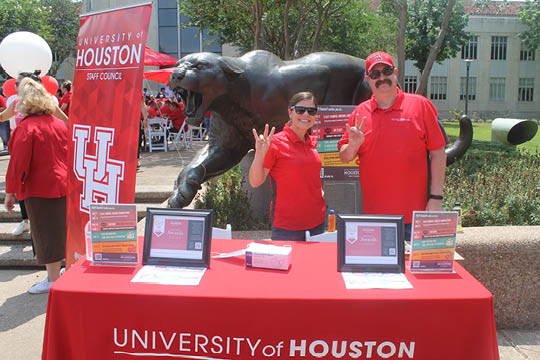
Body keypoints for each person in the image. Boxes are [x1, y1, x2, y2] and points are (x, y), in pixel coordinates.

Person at [338, 51, 447, 240]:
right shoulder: (359, 113)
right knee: (379, 270)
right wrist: (353, 145)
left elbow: (438, 153)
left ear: (395, 72)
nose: (382, 78)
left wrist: (436, 199)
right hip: (375, 219)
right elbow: (344, 156)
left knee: (416, 270)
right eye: (375, 74)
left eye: (386, 71)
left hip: (417, 216)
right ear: (368, 79)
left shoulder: (420, 105)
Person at [4, 77, 68, 294]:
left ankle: (52, 279)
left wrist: (10, 192)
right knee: (61, 230)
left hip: (39, 188)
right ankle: (62, 272)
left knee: (44, 233)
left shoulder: (26, 128)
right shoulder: (59, 124)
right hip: (64, 183)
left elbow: (18, 164)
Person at [249, 91, 325, 241]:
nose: (306, 115)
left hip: (317, 222)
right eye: (300, 110)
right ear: (290, 113)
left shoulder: (313, 142)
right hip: (288, 228)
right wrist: (259, 153)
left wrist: (320, 192)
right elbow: (255, 181)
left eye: (311, 111)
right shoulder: (275, 143)